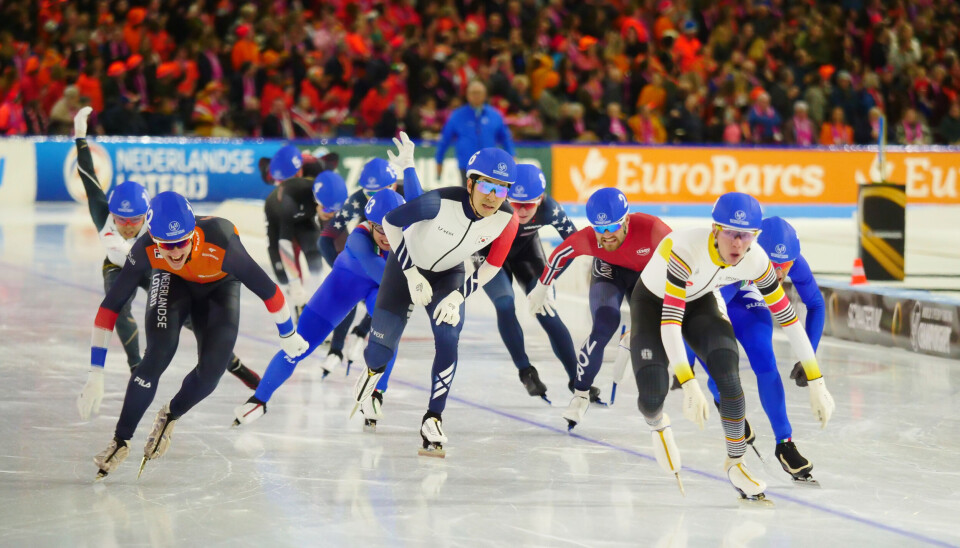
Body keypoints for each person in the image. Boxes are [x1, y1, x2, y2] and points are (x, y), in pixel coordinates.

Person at [77, 191, 310, 479]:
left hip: (221, 288)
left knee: (211, 374)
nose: (174, 253)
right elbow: (109, 308)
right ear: (153, 238)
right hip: (172, 283)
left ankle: (170, 415)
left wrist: (287, 334)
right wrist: (95, 371)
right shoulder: (145, 248)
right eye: (166, 246)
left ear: (192, 234)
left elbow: (270, 292)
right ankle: (121, 440)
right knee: (157, 354)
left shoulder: (222, 242)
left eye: (181, 243)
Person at [628, 192, 835, 502]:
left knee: (729, 374)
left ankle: (736, 463)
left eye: (746, 236)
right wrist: (688, 382)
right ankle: (657, 423)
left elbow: (789, 318)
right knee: (652, 394)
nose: (738, 244)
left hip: (702, 300)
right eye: (731, 234)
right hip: (653, 303)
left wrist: (817, 382)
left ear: (756, 237)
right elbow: (671, 322)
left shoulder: (756, 258)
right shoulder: (687, 250)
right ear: (715, 230)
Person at [72, 106, 260, 388]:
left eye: (134, 220)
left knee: (191, 322)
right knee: (119, 310)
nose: (126, 225)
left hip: (156, 266)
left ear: (145, 215)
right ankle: (136, 368)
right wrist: (80, 136)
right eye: (120, 219)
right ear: (111, 213)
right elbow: (88, 176)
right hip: (119, 266)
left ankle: (233, 364)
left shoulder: (156, 223)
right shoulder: (102, 214)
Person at [352, 148, 519, 458]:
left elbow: (492, 267)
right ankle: (373, 372)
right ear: (469, 184)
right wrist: (412, 273)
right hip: (405, 270)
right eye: (486, 186)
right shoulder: (439, 202)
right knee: (379, 352)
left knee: (448, 337)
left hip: (449, 276)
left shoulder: (507, 220)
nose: (493, 196)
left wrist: (459, 296)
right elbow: (390, 223)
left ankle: (433, 417)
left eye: (502, 188)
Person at [234, 182, 415, 430]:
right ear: (369, 224)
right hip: (344, 287)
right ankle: (259, 399)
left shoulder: (409, 232)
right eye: (378, 228)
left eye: (392, 229)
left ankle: (375, 394)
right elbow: (387, 278)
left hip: (377, 288)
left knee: (389, 333)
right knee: (297, 346)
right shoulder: (358, 240)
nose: (385, 235)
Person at [527, 187, 671, 430]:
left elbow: (683, 258)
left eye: (612, 227)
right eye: (599, 229)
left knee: (651, 326)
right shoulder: (591, 239)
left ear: (626, 220)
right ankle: (580, 394)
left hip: (646, 276)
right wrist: (542, 286)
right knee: (604, 325)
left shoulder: (652, 229)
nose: (606, 236)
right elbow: (560, 255)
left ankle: (631, 337)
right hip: (609, 272)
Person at [474, 164, 579, 402]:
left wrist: (547, 284)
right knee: (504, 303)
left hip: (526, 254)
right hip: (489, 254)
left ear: (541, 200)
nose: (520, 211)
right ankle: (525, 371)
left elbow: (575, 245)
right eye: (515, 203)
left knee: (546, 309)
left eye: (528, 205)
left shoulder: (551, 209)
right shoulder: (489, 205)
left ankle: (577, 379)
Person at [317, 137, 417, 374]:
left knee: (389, 299)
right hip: (368, 250)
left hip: (396, 252)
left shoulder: (407, 193)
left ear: (394, 186)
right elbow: (325, 238)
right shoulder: (357, 200)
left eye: (378, 192)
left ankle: (362, 331)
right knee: (350, 293)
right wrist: (340, 270)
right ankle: (337, 349)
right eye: (368, 193)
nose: (372, 199)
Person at [264, 145, 327, 321]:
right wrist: (294, 284)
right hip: (281, 225)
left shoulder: (314, 168)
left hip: (305, 219)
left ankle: (318, 307)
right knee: (285, 277)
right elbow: (281, 241)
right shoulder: (277, 201)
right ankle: (301, 306)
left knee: (314, 254)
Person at [434, 81, 516, 184]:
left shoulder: (495, 115)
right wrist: (439, 160)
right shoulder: (457, 115)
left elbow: (505, 138)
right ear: (467, 95)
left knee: (489, 194)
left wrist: (512, 156)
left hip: (490, 165)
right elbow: (444, 139)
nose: (476, 96)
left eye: (479, 92)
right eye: (473, 92)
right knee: (468, 195)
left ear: (485, 95)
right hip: (467, 165)